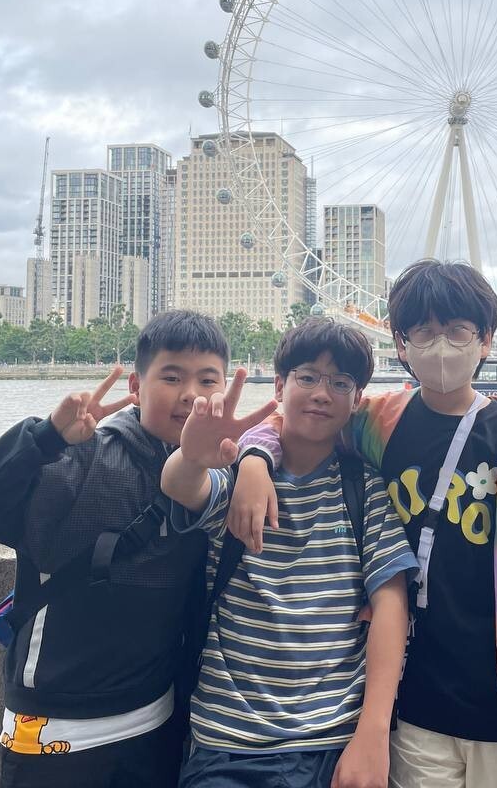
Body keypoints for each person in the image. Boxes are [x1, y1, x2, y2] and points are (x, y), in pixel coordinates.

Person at [235, 260, 497, 788]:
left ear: (485, 340)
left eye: (457, 331)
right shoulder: (378, 423)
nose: (441, 346)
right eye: (423, 332)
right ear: (402, 344)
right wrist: (254, 459)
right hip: (411, 700)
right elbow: (297, 419)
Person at [0, 310, 269, 788]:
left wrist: (256, 458)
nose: (190, 394)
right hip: (57, 727)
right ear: (137, 385)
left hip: (158, 717)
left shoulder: (219, 474)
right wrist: (46, 438)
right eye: (171, 377)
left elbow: (288, 432)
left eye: (207, 380)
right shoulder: (84, 456)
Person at [162, 317, 416, 788]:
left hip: (331, 739)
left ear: (357, 398)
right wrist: (192, 455)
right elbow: (181, 486)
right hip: (227, 740)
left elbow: (391, 604)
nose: (322, 393)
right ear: (280, 385)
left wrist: (373, 733)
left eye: (340, 383)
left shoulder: (363, 490)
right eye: (308, 377)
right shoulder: (237, 479)